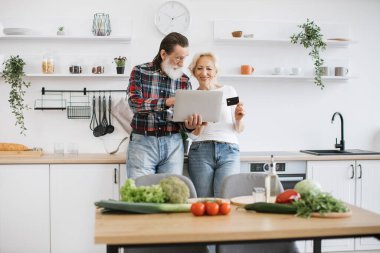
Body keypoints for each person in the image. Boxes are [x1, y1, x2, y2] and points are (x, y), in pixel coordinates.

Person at [126, 32, 201, 179]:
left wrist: (191, 125)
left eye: (184, 58)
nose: (181, 64)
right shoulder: (140, 71)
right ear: (163, 54)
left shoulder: (184, 80)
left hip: (174, 144)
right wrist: (167, 102)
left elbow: (183, 121)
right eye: (178, 58)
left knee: (171, 199)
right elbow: (134, 104)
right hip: (143, 143)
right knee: (139, 196)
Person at [187, 52, 245, 197]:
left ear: (216, 71)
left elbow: (239, 129)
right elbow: (191, 136)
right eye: (199, 68)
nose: (204, 73)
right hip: (200, 150)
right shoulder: (190, 97)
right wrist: (199, 126)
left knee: (226, 198)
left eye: (209, 68)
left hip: (229, 150)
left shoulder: (229, 92)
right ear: (193, 72)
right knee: (203, 200)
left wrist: (239, 118)